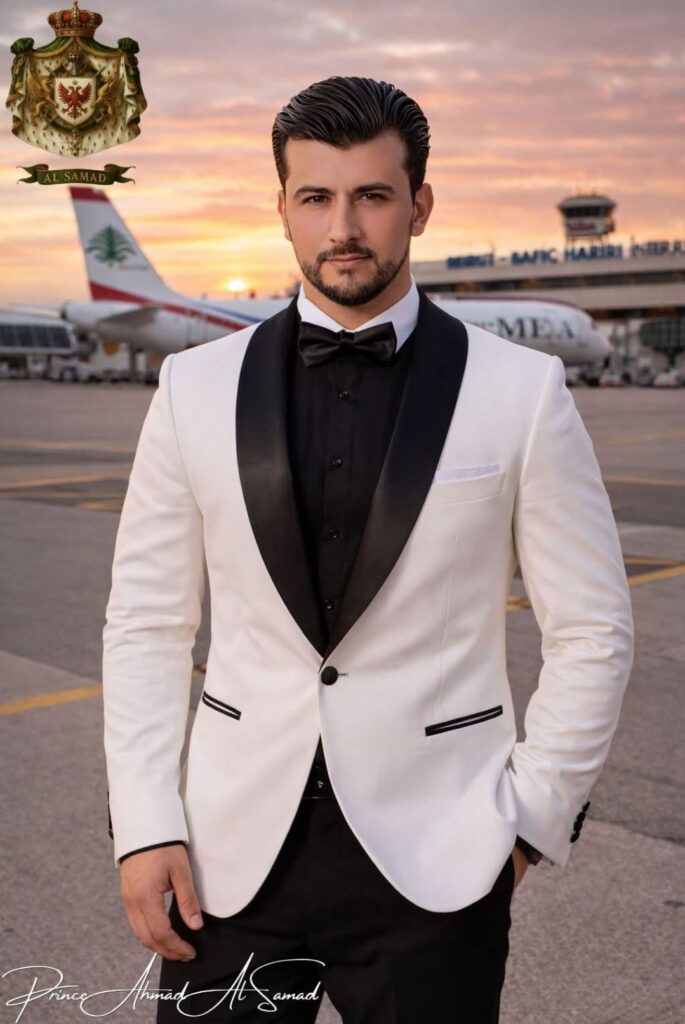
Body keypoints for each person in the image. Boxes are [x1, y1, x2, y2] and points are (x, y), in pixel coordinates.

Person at [102, 76, 634, 1023]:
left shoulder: (522, 391)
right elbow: (146, 624)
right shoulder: (191, 387)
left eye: (372, 196)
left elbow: (592, 631)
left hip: (439, 863)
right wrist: (145, 825)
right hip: (226, 862)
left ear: (418, 205)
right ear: (282, 207)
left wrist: (525, 823)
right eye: (315, 197)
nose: (342, 227)